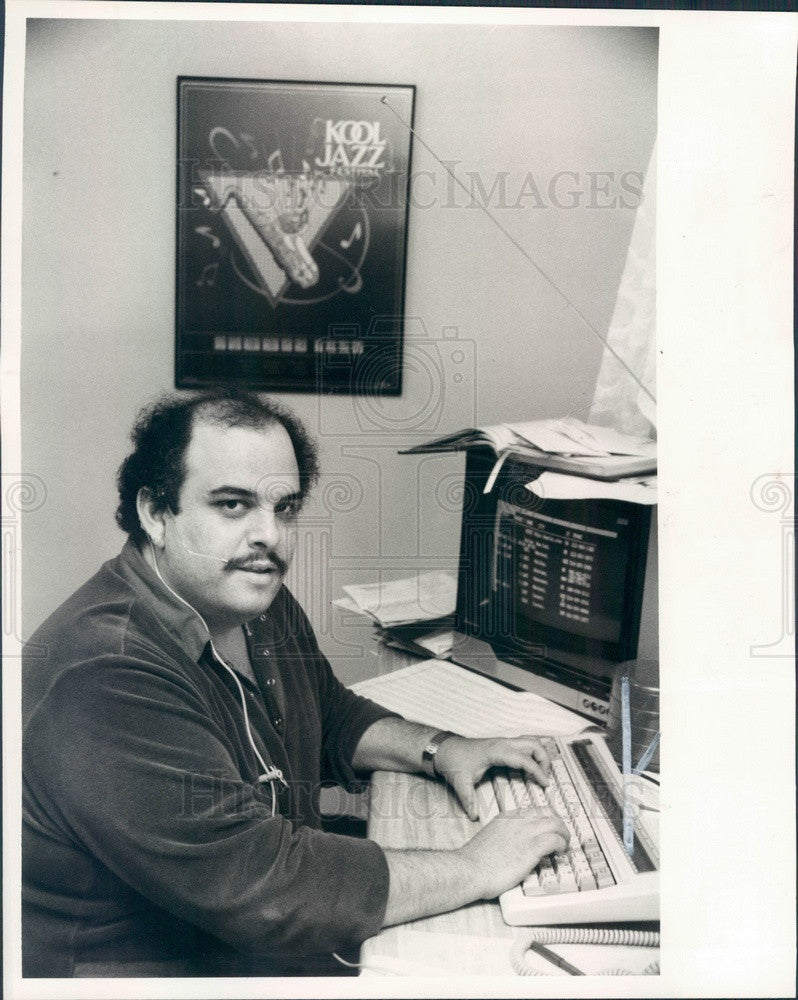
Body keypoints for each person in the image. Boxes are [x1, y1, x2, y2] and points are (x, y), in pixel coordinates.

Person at [22, 388, 568, 977]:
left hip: (247, 935)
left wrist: (440, 749)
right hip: (156, 970)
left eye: (284, 508)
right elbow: (262, 887)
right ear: (156, 512)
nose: (270, 536)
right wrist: (473, 868)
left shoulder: (252, 597)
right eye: (233, 505)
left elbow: (327, 713)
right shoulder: (105, 670)